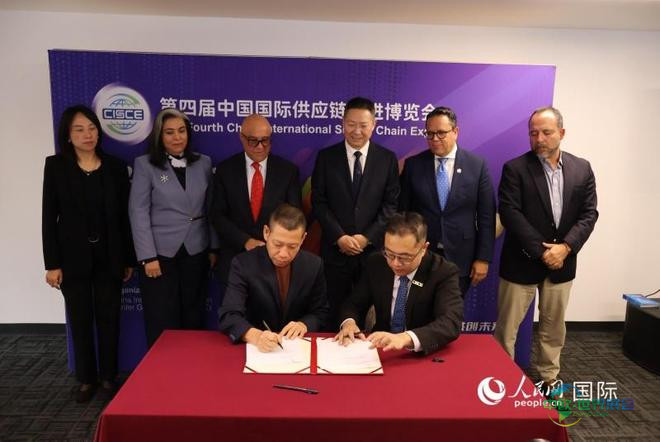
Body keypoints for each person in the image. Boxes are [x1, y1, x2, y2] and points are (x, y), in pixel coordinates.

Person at [494, 107, 598, 392]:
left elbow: (589, 214)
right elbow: (511, 213)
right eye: (533, 133)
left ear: (561, 133)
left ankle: (549, 378)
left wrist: (565, 248)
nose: (539, 139)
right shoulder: (515, 168)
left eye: (546, 132)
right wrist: (543, 252)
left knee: (553, 328)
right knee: (507, 329)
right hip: (521, 262)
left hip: (562, 264)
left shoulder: (582, 168)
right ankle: (501, 380)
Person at [42, 105, 134, 402]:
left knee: (110, 318)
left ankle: (108, 377)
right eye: (79, 130)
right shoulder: (56, 166)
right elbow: (49, 217)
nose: (88, 135)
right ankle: (86, 378)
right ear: (68, 136)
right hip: (72, 258)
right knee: (80, 318)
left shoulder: (115, 167)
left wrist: (128, 258)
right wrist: (52, 263)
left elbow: (124, 218)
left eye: (92, 128)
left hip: (110, 256)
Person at [129, 108, 218, 347]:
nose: (177, 137)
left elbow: (211, 207)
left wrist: (213, 247)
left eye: (181, 131)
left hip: (196, 250)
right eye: (169, 132)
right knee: (161, 319)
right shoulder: (145, 165)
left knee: (193, 316)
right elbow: (138, 212)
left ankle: (192, 367)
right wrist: (147, 257)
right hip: (160, 255)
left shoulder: (203, 163)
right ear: (159, 136)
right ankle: (161, 368)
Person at [311, 96, 400, 329]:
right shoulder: (326, 157)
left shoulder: (387, 159)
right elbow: (319, 202)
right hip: (335, 252)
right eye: (351, 124)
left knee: (372, 316)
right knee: (334, 312)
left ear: (374, 125)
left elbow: (391, 205)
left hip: (372, 253)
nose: (357, 131)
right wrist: (339, 236)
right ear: (343, 123)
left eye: (363, 125)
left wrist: (366, 237)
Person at [335, 212, 463, 355]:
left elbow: (450, 322)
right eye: (389, 254)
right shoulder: (376, 263)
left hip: (422, 352)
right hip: (380, 348)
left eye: (405, 257)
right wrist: (349, 322)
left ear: (423, 249)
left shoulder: (443, 272)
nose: (395, 263)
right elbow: (353, 304)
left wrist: (405, 338)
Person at [399, 106, 496, 295]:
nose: (435, 139)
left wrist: (483, 258)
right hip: (421, 254)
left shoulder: (477, 165)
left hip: (462, 257)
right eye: (430, 134)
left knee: (452, 309)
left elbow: (487, 217)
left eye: (441, 133)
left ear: (455, 132)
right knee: (419, 307)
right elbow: (404, 212)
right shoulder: (413, 165)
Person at [219, 204, 329, 352]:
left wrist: (304, 324)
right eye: (277, 244)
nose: (283, 254)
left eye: (292, 246)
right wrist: (256, 336)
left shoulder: (313, 265)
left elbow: (321, 311)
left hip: (296, 349)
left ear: (303, 238)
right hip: (255, 350)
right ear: (266, 233)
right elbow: (229, 315)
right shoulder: (243, 264)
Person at [211, 114, 301, 284]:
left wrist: (274, 245)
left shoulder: (288, 171)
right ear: (241, 137)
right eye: (253, 141)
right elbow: (217, 215)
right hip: (235, 257)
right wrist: (245, 241)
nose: (260, 147)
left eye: (265, 140)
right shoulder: (225, 170)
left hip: (274, 259)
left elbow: (293, 216)